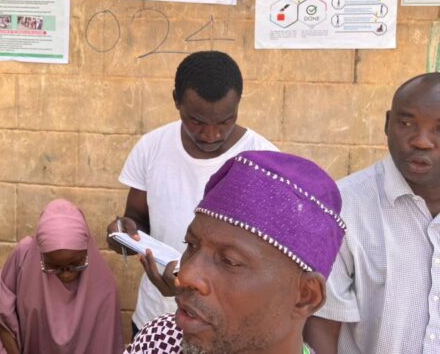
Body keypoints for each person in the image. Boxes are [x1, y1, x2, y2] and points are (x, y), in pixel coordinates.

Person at [107, 51, 278, 333]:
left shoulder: (264, 160)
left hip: (227, 328)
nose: (211, 135)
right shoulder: (152, 147)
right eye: (197, 121)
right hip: (155, 320)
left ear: (238, 104)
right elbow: (136, 219)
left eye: (225, 121)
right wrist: (122, 235)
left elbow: (270, 257)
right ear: (176, 100)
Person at [125, 150, 346, 354]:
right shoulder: (160, 341)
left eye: (229, 261)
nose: (185, 275)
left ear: (305, 296)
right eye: (191, 245)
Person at [304, 73, 440, 354]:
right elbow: (323, 320)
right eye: (406, 123)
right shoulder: (342, 207)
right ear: (388, 123)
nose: (422, 141)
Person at [0, 199, 124, 354]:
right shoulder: (24, 257)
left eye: (75, 264)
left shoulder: (104, 286)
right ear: (39, 253)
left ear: (87, 249)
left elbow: (106, 343)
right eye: (54, 267)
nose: (66, 274)